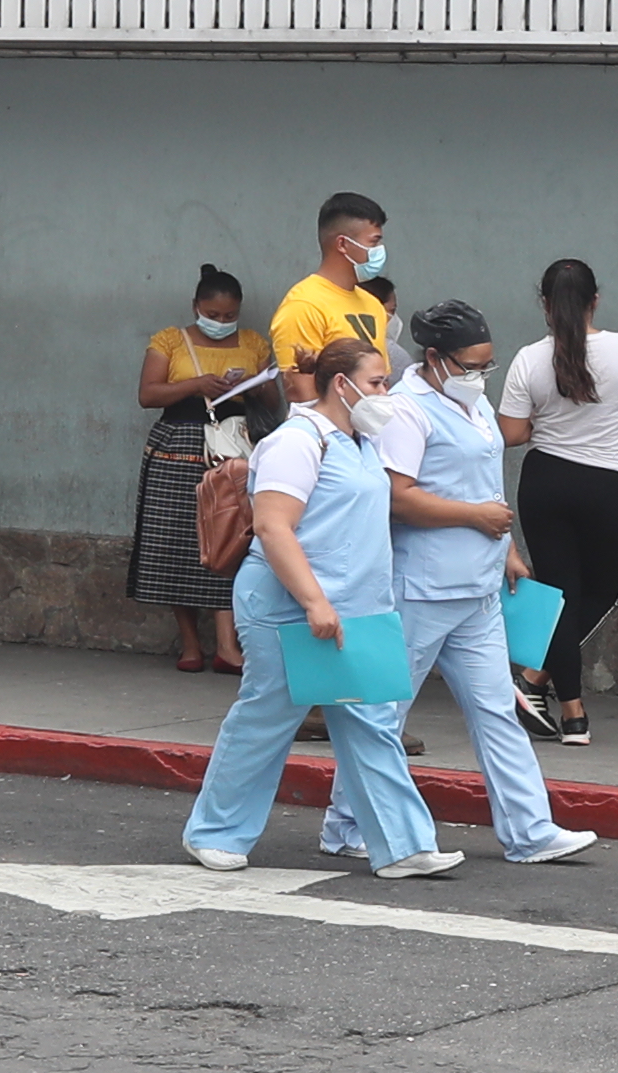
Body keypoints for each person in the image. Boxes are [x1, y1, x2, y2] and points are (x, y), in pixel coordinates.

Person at [183, 330, 442, 875]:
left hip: (356, 610)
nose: (386, 391)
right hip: (291, 608)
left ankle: (404, 846)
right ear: (342, 385)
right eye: (377, 382)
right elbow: (275, 529)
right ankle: (215, 831)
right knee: (267, 717)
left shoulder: (361, 442)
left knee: (372, 723)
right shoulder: (297, 442)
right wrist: (314, 601)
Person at [380, 298, 593, 864]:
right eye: (471, 365)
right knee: (384, 716)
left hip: (476, 591)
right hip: (422, 588)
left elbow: (484, 485)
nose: (480, 376)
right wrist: (476, 520)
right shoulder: (406, 410)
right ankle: (348, 824)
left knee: (498, 710)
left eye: (486, 365)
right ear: (434, 357)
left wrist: (507, 549)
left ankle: (530, 831)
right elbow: (396, 497)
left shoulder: (469, 403)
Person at [499, 256, 618, 746]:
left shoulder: (529, 358)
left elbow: (512, 433)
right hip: (608, 482)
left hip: (547, 479)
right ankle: (563, 705)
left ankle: (550, 697)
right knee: (600, 592)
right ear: (595, 300)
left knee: (559, 593)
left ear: (545, 305)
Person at [129, 266, 275, 673]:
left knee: (228, 539)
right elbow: (148, 394)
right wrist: (196, 385)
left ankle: (227, 646)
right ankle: (190, 644)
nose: (222, 322)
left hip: (232, 448)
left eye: (230, 315)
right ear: (196, 307)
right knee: (176, 543)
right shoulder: (169, 341)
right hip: (177, 449)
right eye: (213, 313)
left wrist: (252, 384)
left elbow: (273, 399)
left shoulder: (253, 343)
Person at [269, 194, 398, 372]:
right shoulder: (304, 306)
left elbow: (382, 380)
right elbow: (301, 393)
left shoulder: (373, 304)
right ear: (343, 244)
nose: (379, 250)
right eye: (373, 242)